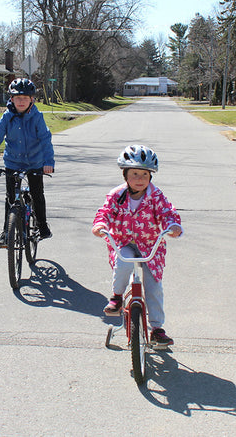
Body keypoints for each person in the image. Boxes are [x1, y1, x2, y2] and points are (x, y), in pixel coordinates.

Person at [92, 145, 182, 346]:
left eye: (144, 174)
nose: (140, 179)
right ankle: (116, 298)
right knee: (123, 264)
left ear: (150, 176)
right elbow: (105, 212)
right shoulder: (117, 194)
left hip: (150, 245)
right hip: (123, 241)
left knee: (153, 287)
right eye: (134, 174)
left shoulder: (155, 195)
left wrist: (173, 226)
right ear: (125, 175)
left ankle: (157, 328)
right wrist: (100, 225)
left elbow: (168, 212)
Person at [0, 78, 55, 248]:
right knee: (11, 198)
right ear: (11, 99)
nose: (21, 101)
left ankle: (42, 225)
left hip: (35, 163)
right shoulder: (7, 117)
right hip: (13, 162)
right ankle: (6, 232)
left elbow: (45, 139)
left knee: (37, 195)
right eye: (17, 98)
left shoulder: (37, 117)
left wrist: (48, 162)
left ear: (32, 99)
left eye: (25, 98)